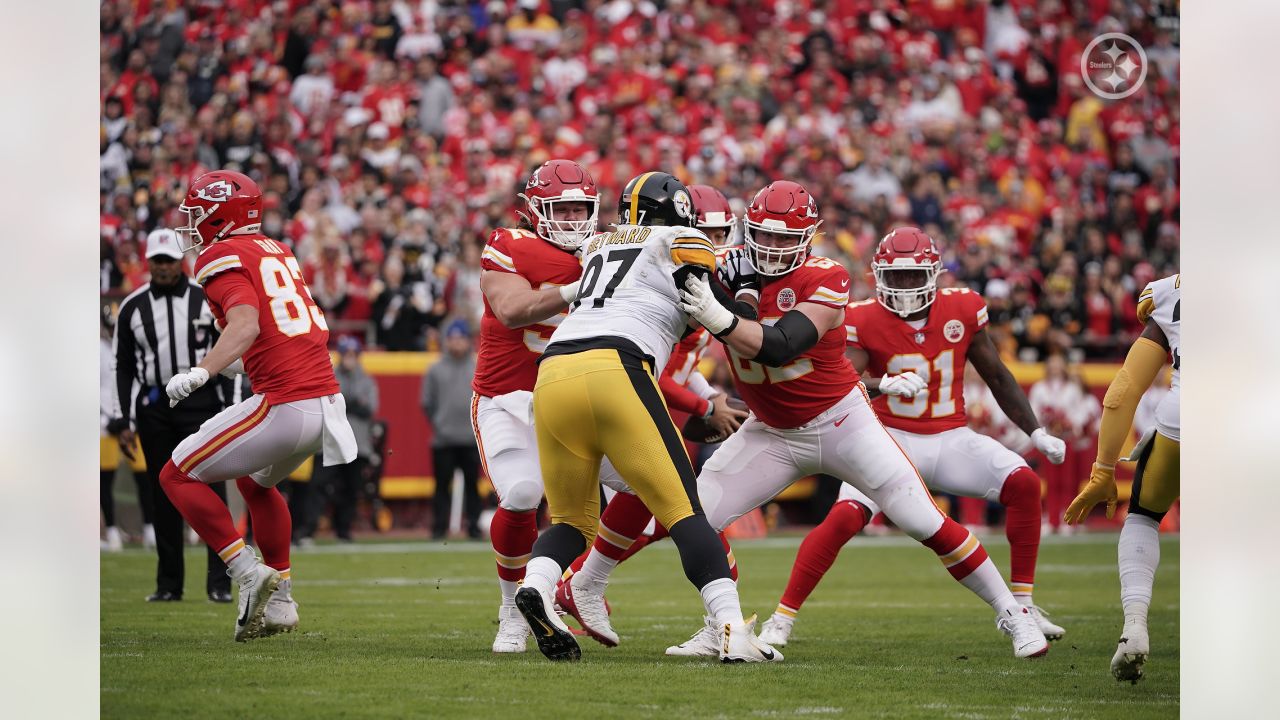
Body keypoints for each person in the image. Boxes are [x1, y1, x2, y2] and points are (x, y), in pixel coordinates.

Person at [671, 183, 1050, 659]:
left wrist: (716, 312)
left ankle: (1015, 616)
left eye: (788, 239)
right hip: (770, 430)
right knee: (695, 517)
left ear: (808, 238)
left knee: (924, 520)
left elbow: (782, 344)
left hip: (840, 421)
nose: (774, 248)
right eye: (765, 237)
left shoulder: (826, 276)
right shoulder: (725, 271)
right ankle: (722, 627)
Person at [750, 227, 1069, 648]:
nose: (903, 285)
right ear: (880, 274)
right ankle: (782, 618)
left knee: (1025, 482)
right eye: (895, 276)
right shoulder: (861, 317)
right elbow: (841, 381)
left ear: (934, 273)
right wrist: (884, 383)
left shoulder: (963, 309)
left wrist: (1035, 431)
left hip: (950, 436)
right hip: (888, 437)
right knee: (844, 517)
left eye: (912, 276)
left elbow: (997, 375)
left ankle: (1023, 605)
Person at [516, 170, 776, 663]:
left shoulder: (600, 244)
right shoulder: (682, 238)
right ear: (682, 213)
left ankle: (537, 586)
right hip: (616, 366)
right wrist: (743, 294)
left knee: (571, 521)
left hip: (551, 374)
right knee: (685, 511)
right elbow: (720, 315)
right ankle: (728, 625)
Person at [159, 170, 357, 642]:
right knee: (254, 482)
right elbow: (284, 330)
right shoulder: (277, 250)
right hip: (326, 403)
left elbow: (245, 324)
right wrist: (241, 365)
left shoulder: (219, 254)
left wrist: (203, 370)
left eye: (198, 213)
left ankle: (247, 572)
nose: (191, 224)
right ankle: (282, 599)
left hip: (286, 405)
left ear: (220, 215)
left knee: (175, 474)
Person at [471, 159, 599, 653]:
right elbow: (511, 309)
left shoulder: (605, 251)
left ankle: (586, 583)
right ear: (534, 210)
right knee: (523, 493)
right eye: (560, 208)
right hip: (508, 400)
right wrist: (573, 288)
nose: (571, 219)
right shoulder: (509, 244)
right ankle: (511, 607)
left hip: (578, 402)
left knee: (653, 489)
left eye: (578, 208)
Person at [1065, 273, 1180, 683]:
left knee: (1144, 516)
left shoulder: (1170, 292)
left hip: (1182, 418)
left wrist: (1104, 469)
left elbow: (1124, 389)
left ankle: (1134, 625)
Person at [108, 228, 233, 602]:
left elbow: (229, 352)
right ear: (148, 263)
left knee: (212, 489)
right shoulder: (132, 306)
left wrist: (229, 404)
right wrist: (123, 419)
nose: (164, 268)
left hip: (202, 401)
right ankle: (168, 585)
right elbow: (123, 366)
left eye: (170, 260)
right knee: (163, 492)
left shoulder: (206, 299)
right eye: (158, 261)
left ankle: (219, 583)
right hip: (156, 405)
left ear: (182, 261)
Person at [307, 335, 379, 542]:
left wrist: (347, 402)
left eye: (352, 354)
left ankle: (344, 529)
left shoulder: (366, 380)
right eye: (346, 354)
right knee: (318, 485)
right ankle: (308, 529)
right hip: (329, 442)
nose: (349, 359)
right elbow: (326, 404)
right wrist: (354, 402)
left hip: (357, 443)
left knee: (350, 488)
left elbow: (370, 408)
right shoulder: (328, 375)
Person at [422, 319, 481, 540]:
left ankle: (474, 526)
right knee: (441, 486)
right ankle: (438, 527)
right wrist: (439, 423)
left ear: (468, 341)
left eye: (460, 338)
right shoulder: (436, 369)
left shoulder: (477, 365)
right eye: (453, 338)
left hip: (469, 438)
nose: (456, 343)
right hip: (444, 439)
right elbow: (427, 402)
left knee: (473, 486)